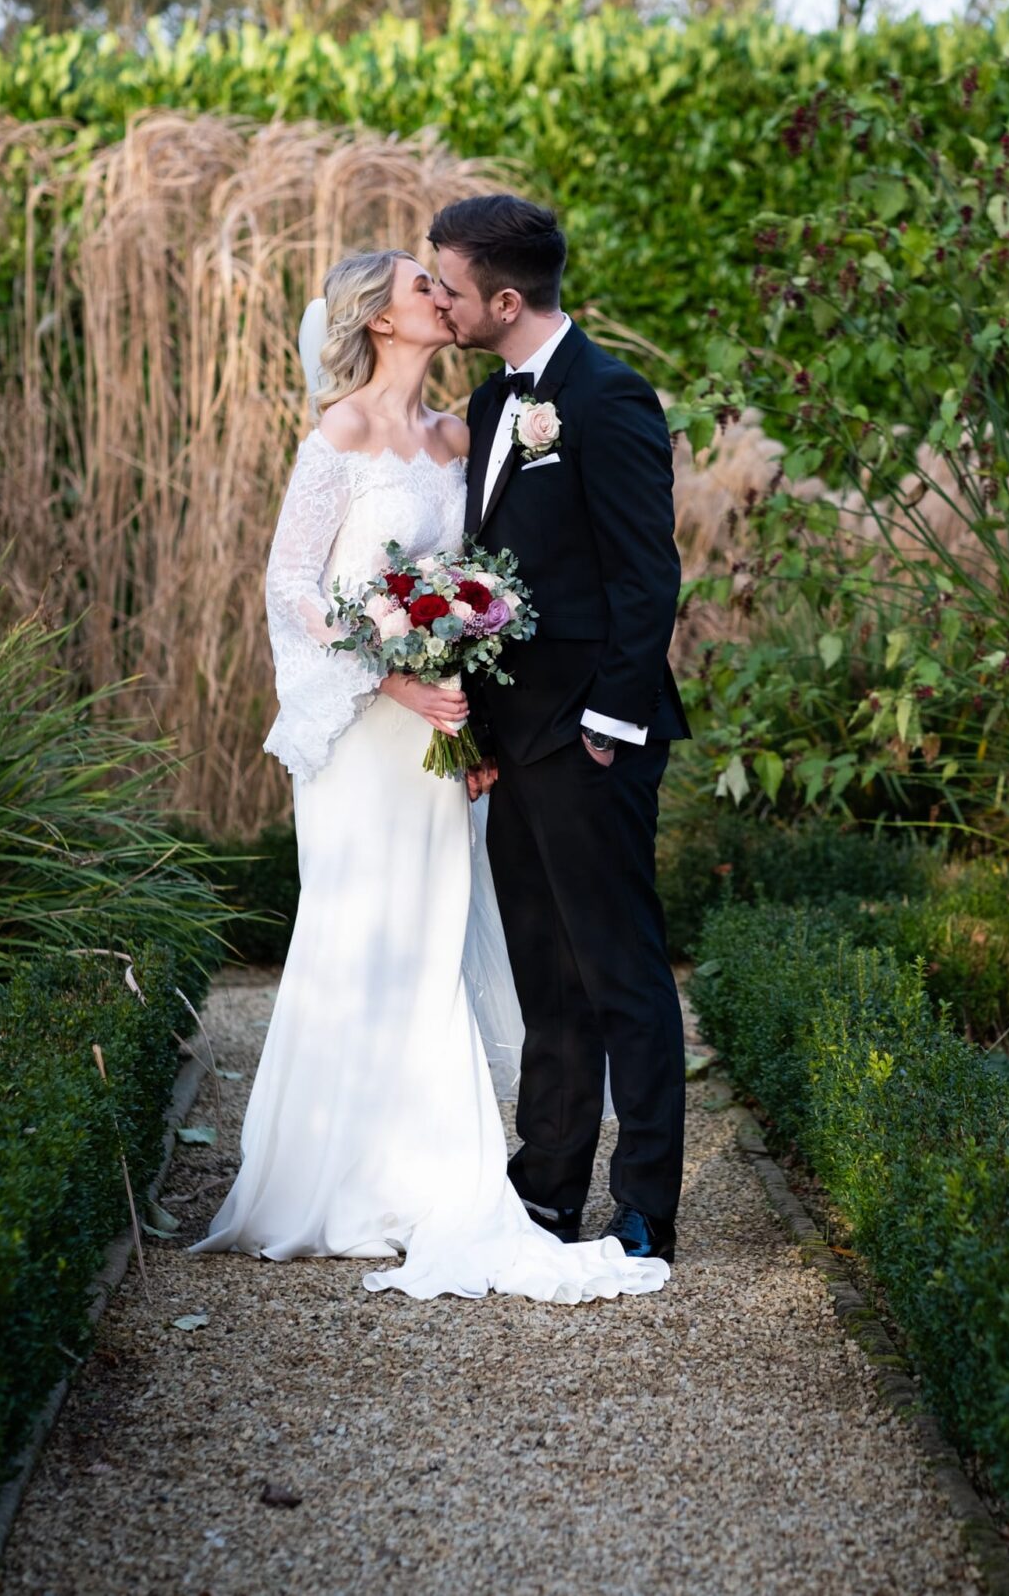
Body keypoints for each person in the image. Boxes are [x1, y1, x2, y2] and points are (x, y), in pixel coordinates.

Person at [188, 247, 668, 1304]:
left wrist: (473, 699)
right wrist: (393, 678)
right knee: (359, 930)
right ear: (381, 319)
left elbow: (492, 584)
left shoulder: (466, 432)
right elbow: (291, 589)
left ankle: (432, 1174)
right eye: (421, 288)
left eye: (443, 284)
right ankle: (332, 1180)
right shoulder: (339, 436)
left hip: (452, 739)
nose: (439, 298)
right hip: (372, 734)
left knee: (436, 935)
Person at [432, 195, 688, 1265]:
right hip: (512, 741)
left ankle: (645, 1211)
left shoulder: (606, 397)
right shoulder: (495, 405)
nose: (436, 302)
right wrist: (480, 727)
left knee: (621, 975)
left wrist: (606, 725)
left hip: (591, 738)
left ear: (503, 296)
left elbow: (647, 578)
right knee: (546, 976)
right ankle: (544, 1192)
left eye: (446, 287)